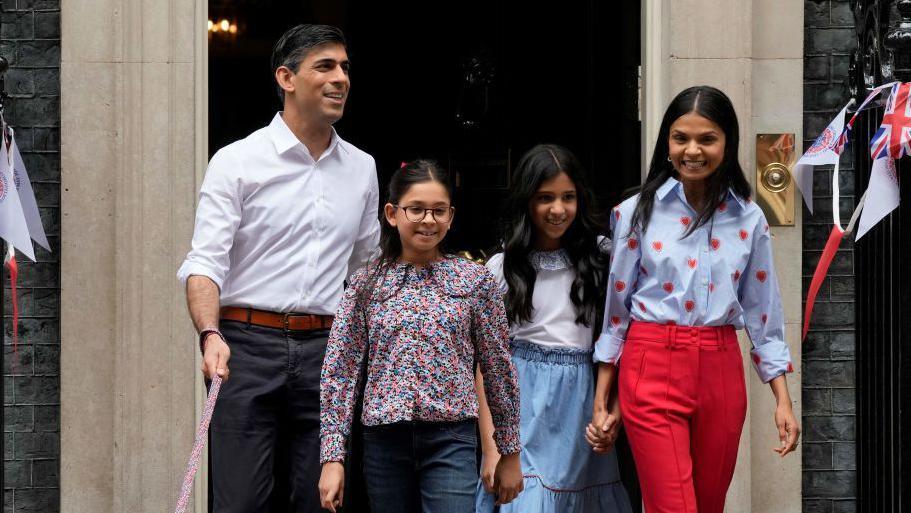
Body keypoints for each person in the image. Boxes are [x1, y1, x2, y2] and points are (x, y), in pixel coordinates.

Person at [177, 24, 380, 513]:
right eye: (325, 66)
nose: (340, 78)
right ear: (286, 78)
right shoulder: (237, 161)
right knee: (242, 501)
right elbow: (205, 262)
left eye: (345, 67)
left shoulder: (362, 167)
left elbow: (368, 273)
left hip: (329, 352)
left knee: (320, 501)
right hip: (245, 348)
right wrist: (209, 334)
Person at [587, 85, 801, 513]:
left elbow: (764, 313)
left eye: (707, 139)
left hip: (720, 366)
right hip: (649, 363)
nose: (692, 150)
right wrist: (603, 398)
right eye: (681, 138)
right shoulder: (634, 213)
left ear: (727, 144)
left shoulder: (749, 217)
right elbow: (616, 311)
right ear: (667, 142)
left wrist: (783, 401)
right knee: (674, 506)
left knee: (707, 505)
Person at [318, 160, 524, 513]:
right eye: (416, 209)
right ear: (392, 213)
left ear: (451, 216)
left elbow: (498, 369)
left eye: (438, 211)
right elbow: (340, 372)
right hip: (384, 440)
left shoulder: (474, 281)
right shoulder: (365, 284)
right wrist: (332, 457)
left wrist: (509, 451)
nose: (428, 221)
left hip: (452, 437)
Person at [474, 144, 634, 512]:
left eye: (568, 197)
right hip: (519, 404)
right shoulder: (502, 268)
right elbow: (486, 366)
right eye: (545, 198)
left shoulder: (602, 258)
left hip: (579, 404)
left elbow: (624, 338)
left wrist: (613, 412)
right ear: (526, 202)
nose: (558, 209)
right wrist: (491, 447)